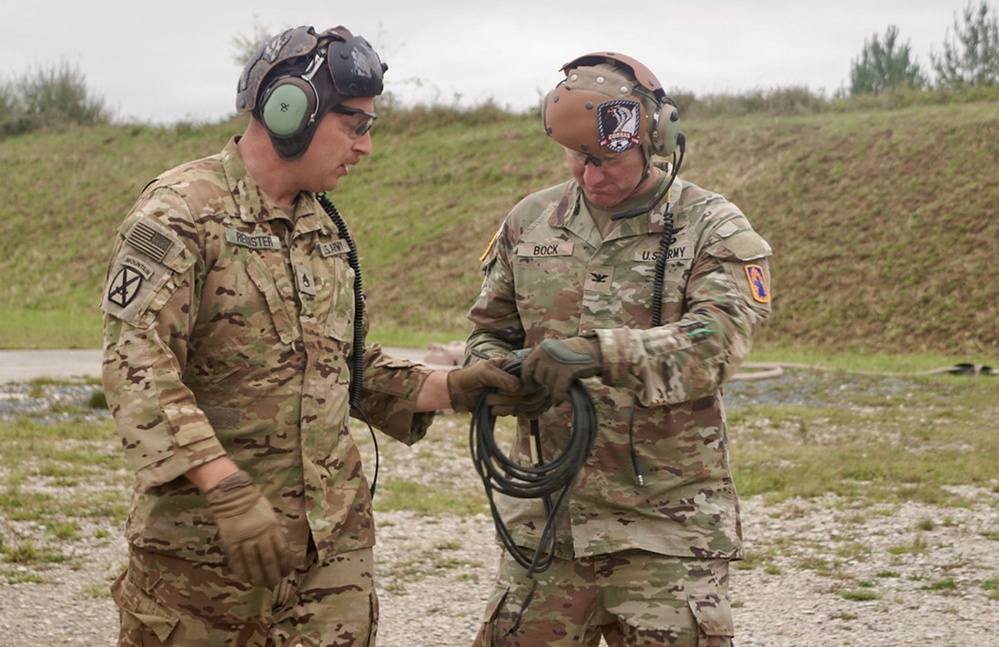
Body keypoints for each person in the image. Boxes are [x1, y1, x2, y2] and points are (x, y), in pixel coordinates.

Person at [100, 25, 519, 646]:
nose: (366, 147)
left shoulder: (322, 227)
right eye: (357, 125)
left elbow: (341, 368)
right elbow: (136, 360)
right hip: (207, 555)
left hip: (330, 554)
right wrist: (226, 485)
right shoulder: (180, 212)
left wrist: (453, 388)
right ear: (289, 110)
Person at [465, 51, 773, 646]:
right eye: (577, 158)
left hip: (665, 530)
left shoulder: (714, 227)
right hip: (548, 529)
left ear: (656, 140)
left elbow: (718, 341)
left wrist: (596, 354)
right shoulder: (530, 222)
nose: (590, 175)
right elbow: (488, 328)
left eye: (608, 159)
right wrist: (497, 375)